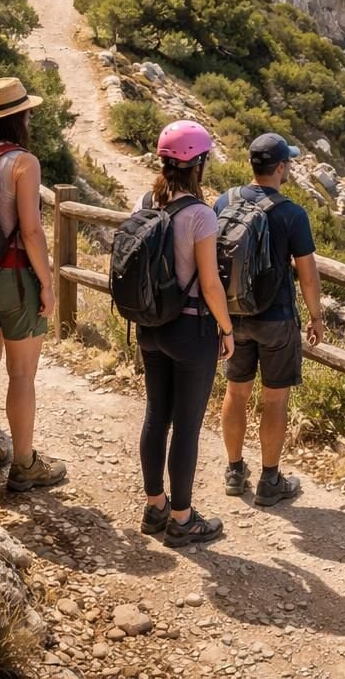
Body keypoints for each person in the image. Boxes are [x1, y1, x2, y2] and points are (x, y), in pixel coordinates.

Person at [0, 78, 67, 492]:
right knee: (21, 373)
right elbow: (32, 232)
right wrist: (47, 283)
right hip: (14, 278)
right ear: (20, 116)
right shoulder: (23, 162)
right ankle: (24, 464)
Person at [138, 121, 235, 547]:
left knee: (156, 414)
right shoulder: (201, 215)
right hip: (191, 327)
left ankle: (155, 505)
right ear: (198, 163)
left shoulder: (147, 201)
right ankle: (182, 518)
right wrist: (227, 329)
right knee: (188, 425)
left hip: (150, 326)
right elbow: (210, 283)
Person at [217, 133, 323, 507]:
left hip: (231, 316)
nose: (289, 168)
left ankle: (233, 471)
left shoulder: (224, 201)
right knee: (275, 400)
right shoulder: (292, 213)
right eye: (288, 163)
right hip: (276, 319)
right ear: (279, 168)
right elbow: (308, 275)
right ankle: (270, 479)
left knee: (236, 392)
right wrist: (316, 316)